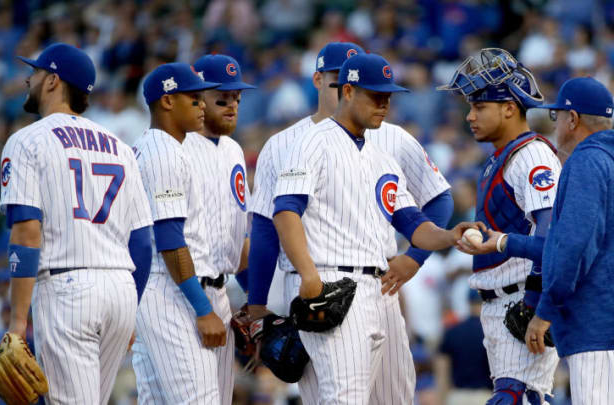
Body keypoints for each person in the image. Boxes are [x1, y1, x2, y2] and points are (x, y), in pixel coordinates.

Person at [247, 42, 453, 404]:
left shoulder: (380, 154)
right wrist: (305, 279)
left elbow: (414, 223)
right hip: (330, 283)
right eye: (376, 97)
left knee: (392, 396)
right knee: (343, 398)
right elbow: (283, 212)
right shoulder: (308, 142)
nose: (385, 105)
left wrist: (452, 236)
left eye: (388, 97)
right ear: (346, 90)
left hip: (378, 288)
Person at [0, 43, 154, 404]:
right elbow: (143, 242)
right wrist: (132, 309)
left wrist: (18, 323)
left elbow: (25, 230)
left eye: (36, 73)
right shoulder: (120, 146)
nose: (29, 79)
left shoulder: (27, 141)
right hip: (121, 289)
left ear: (53, 81)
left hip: (68, 289)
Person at [439, 48, 560, 404]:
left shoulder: (533, 155)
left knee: (515, 397)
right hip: (501, 300)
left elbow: (551, 231)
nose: (469, 116)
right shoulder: (502, 155)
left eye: (480, 107)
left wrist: (537, 302)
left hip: (521, 297)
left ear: (509, 107)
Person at [525, 76, 614, 405]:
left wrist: (546, 310)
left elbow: (575, 246)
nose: (555, 126)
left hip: (599, 325)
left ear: (573, 119)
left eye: (557, 117)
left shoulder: (586, 161)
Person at [130, 62, 226, 404]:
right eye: (194, 99)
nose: (203, 106)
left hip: (156, 289)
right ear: (168, 101)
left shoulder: (151, 147)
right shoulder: (163, 154)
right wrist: (203, 309)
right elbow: (170, 241)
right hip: (171, 291)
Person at [184, 53, 255, 404]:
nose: (232, 105)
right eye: (222, 98)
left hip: (221, 295)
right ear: (197, 98)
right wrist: (201, 307)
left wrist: (257, 305)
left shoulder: (233, 151)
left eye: (237, 98)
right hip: (178, 294)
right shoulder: (176, 147)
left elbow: (239, 242)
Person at [436, 290, 493, 405]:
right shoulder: (492, 333)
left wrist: (441, 399)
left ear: (468, 302)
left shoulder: (452, 331)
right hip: (485, 396)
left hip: (457, 397)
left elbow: (442, 373)